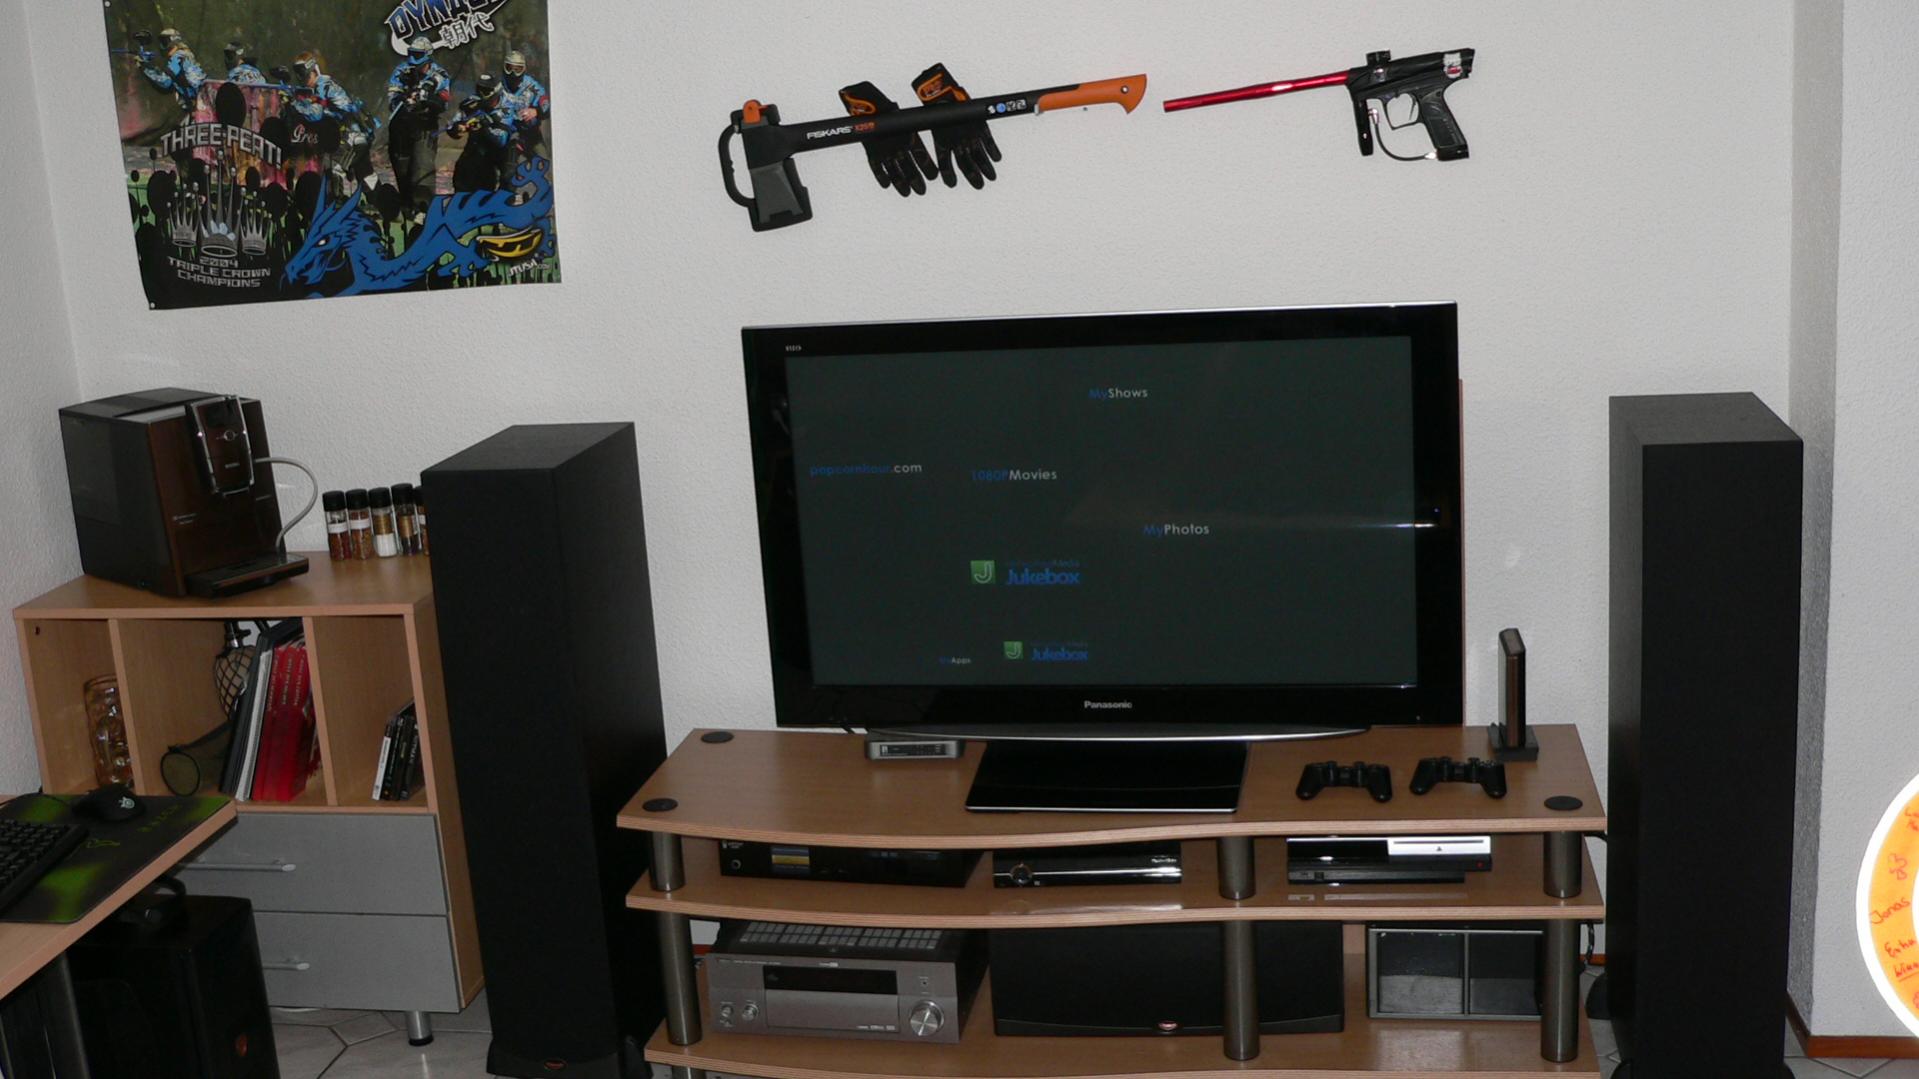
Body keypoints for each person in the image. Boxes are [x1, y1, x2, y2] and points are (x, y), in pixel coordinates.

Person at [386, 36, 453, 214]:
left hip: (424, 127)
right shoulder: (401, 71)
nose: (413, 58)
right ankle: (407, 206)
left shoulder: (440, 74)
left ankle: (424, 210)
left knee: (423, 170)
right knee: (402, 170)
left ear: (428, 55)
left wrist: (425, 100)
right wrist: (406, 98)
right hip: (401, 127)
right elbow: (392, 101)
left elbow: (443, 104)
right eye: (411, 53)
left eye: (417, 54)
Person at [448, 74, 517, 193]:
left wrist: (483, 124)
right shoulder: (472, 102)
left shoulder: (509, 104)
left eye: (485, 90)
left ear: (496, 91)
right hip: (480, 145)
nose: (481, 93)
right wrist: (458, 128)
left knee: (508, 178)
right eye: (479, 89)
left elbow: (501, 140)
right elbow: (452, 125)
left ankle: (505, 200)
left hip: (506, 148)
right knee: (463, 172)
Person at [498, 50, 550, 162]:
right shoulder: (497, 86)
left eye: (517, 69)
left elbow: (547, 105)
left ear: (524, 69)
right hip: (506, 134)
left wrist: (536, 111)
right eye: (509, 68)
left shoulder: (532, 86)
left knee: (544, 162)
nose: (513, 73)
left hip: (530, 134)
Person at [136, 28, 204, 109]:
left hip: (199, 103)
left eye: (164, 42)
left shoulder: (178, 57)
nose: (161, 46)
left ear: (173, 42)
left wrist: (144, 67)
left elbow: (165, 82)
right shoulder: (186, 54)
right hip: (200, 100)